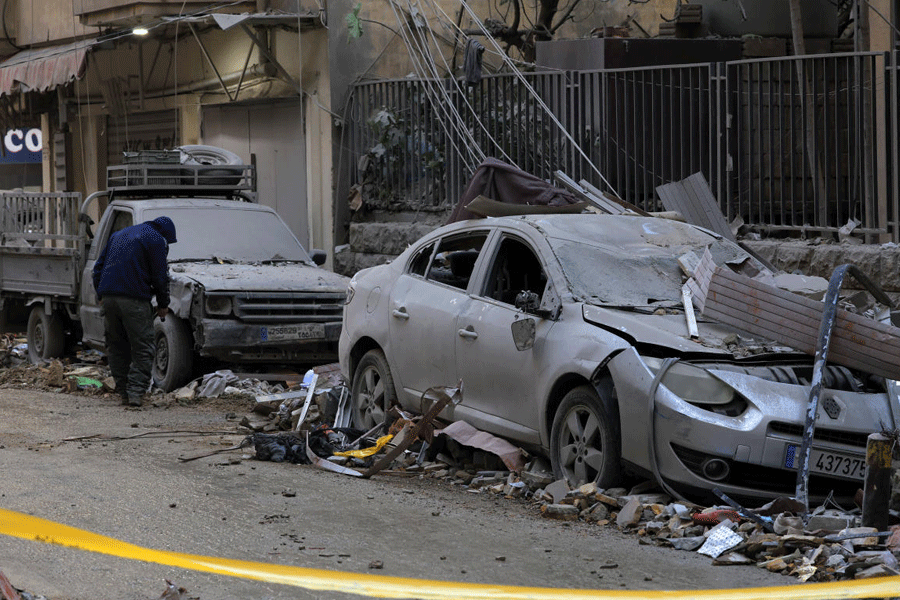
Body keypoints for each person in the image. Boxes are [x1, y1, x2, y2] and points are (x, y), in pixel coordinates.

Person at [92, 216, 177, 406]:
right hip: (135, 300)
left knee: (116, 347)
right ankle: (136, 395)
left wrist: (101, 295)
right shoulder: (156, 239)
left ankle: (123, 393)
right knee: (143, 348)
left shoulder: (118, 235)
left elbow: (97, 269)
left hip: (109, 297)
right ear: (165, 234)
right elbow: (160, 276)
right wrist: (163, 304)